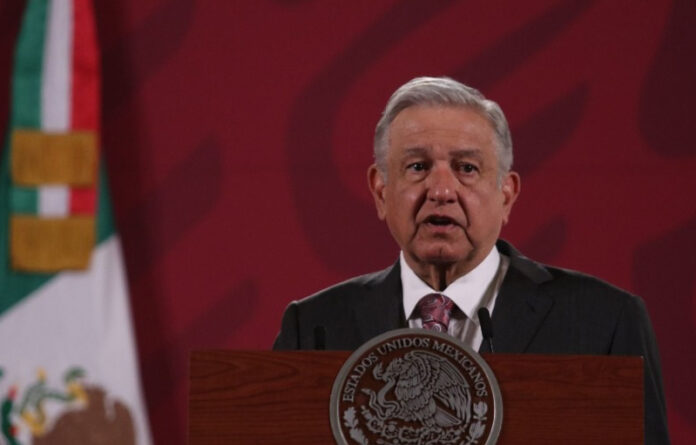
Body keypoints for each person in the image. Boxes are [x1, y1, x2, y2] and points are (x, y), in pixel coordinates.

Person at [273, 77, 669, 444]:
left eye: (466, 168)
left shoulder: (604, 321)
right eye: (417, 167)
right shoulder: (314, 326)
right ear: (381, 191)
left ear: (506, 195)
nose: (441, 190)